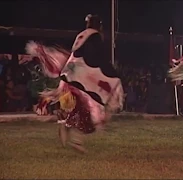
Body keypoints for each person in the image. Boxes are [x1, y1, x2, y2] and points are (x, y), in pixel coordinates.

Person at [25, 14, 124, 153]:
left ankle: (67, 127)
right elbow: (95, 58)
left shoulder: (82, 35)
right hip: (81, 77)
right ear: (99, 25)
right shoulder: (94, 37)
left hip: (71, 74)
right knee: (90, 111)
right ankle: (75, 138)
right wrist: (111, 73)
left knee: (76, 108)